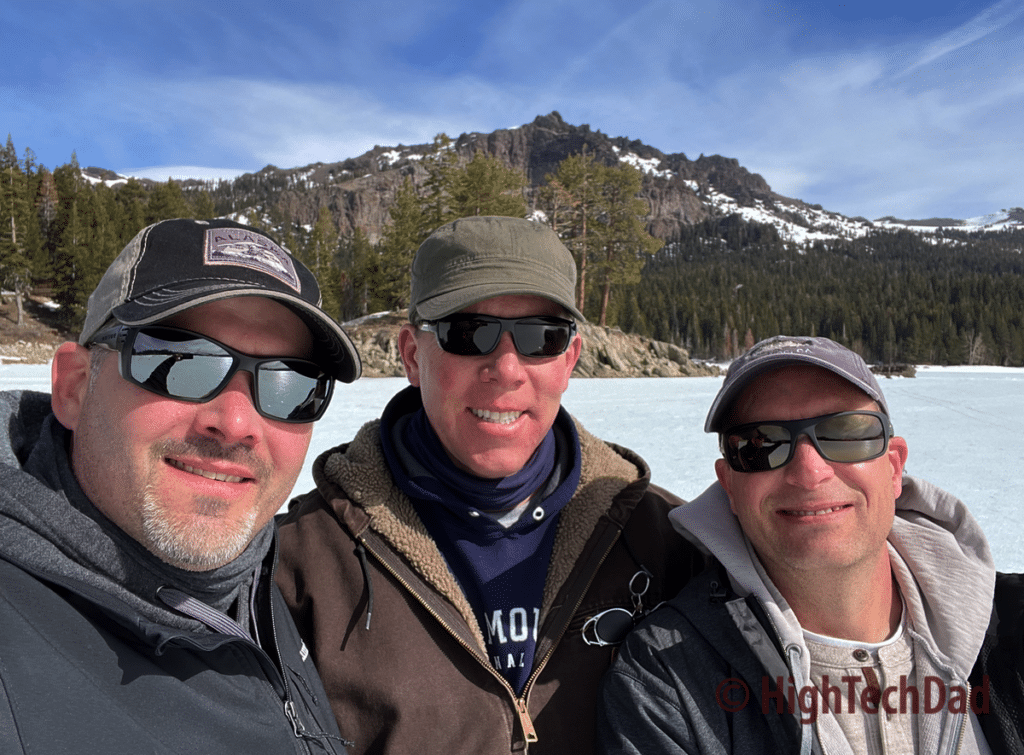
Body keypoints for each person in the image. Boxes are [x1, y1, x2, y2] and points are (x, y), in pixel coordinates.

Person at [275, 215, 704, 755]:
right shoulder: (301, 562)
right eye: (467, 333)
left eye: (540, 338)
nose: (506, 368)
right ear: (412, 354)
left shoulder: (669, 542)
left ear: (568, 360)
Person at [0, 218, 361, 754]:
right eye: (179, 361)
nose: (236, 423)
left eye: (292, 384)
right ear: (75, 387)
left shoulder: (255, 581)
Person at [598, 335, 996, 754]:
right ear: (729, 485)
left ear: (894, 468)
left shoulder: (1009, 628)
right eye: (761, 445)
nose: (809, 471)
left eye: (845, 433)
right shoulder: (669, 681)